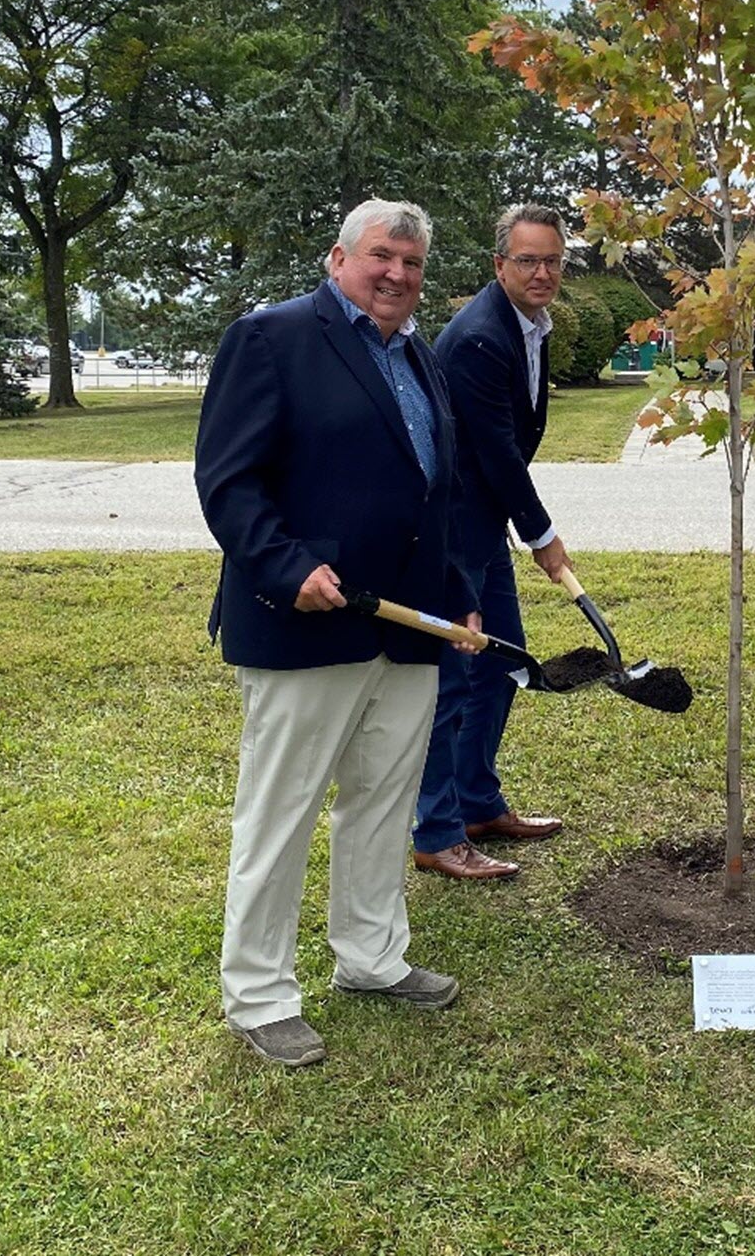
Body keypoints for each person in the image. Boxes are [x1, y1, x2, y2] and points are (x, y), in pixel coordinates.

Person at [194, 197, 486, 1068]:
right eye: (381, 256)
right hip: (306, 624)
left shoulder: (419, 356)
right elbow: (229, 480)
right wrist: (287, 569)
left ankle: (371, 957)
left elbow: (436, 491)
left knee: (383, 802)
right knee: (281, 813)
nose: (397, 274)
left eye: (412, 263)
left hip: (408, 628)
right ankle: (258, 994)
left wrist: (460, 596)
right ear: (338, 258)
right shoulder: (271, 338)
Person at [414, 203, 573, 882]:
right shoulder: (481, 337)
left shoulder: (528, 325)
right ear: (499, 264)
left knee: (505, 662)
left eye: (552, 261)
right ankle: (436, 832)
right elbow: (497, 451)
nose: (542, 273)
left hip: (484, 522)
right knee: (453, 677)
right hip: (453, 532)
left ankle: (478, 803)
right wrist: (543, 535)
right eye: (528, 260)